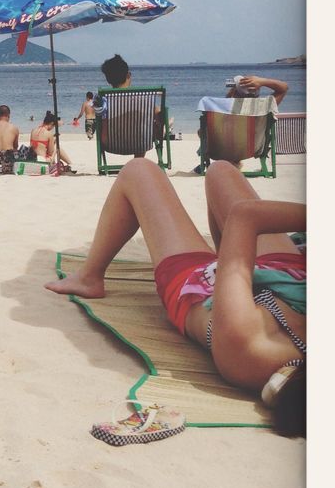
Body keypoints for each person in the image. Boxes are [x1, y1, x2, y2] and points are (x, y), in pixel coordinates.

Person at [45, 159, 305, 437]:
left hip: (201, 287)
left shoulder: (252, 350)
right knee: (221, 171)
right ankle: (231, 251)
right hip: (286, 276)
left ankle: (89, 277)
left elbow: (245, 216)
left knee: (139, 171)